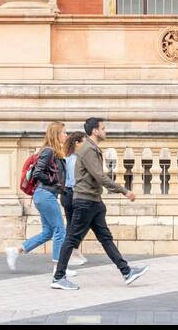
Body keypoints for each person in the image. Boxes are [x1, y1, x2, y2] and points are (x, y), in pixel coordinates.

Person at [51, 117, 148, 290]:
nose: (106, 131)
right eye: (103, 128)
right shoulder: (88, 149)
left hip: (93, 201)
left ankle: (127, 272)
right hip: (85, 201)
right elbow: (99, 176)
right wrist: (124, 191)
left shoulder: (91, 148)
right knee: (72, 238)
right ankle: (58, 277)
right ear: (95, 131)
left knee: (105, 238)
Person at [6, 122, 68, 275]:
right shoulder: (48, 151)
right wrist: (56, 182)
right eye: (64, 132)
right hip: (45, 194)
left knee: (48, 232)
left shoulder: (54, 152)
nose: (66, 135)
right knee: (60, 231)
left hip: (44, 195)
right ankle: (58, 269)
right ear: (56, 134)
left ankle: (16, 251)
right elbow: (37, 173)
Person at [60, 130, 89, 268]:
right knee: (74, 226)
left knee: (74, 224)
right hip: (72, 193)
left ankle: (74, 251)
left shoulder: (67, 157)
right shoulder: (75, 159)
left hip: (66, 194)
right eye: (84, 142)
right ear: (77, 143)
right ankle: (71, 254)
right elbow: (74, 180)